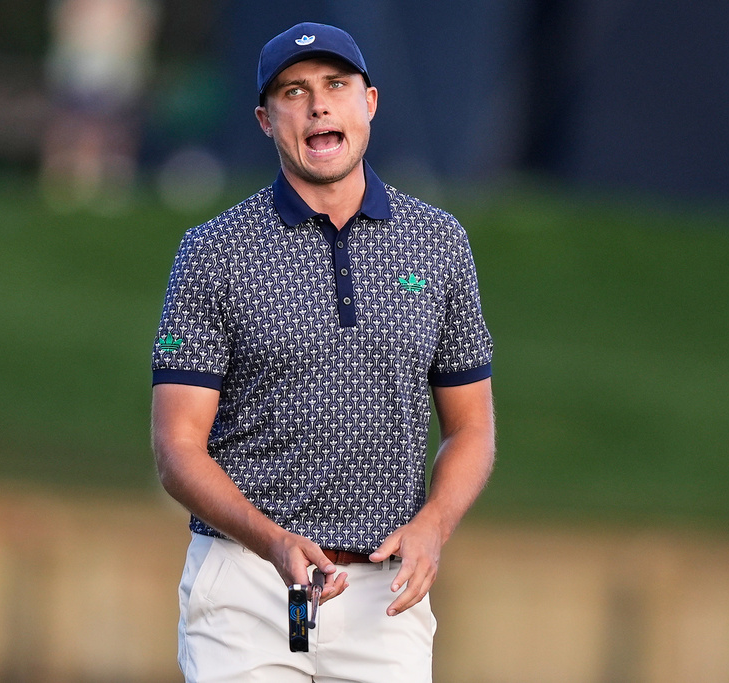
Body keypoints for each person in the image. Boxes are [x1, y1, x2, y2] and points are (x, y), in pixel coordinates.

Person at [151, 21, 495, 682]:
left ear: (369, 102)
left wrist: (435, 524)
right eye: (293, 91)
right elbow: (177, 447)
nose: (317, 105)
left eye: (336, 85)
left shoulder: (439, 242)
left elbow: (471, 425)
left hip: (387, 593)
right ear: (265, 120)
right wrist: (273, 541)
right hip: (247, 582)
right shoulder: (214, 251)